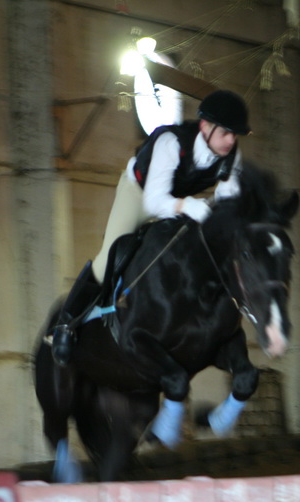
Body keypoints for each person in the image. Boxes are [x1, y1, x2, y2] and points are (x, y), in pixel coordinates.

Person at [50, 89, 251, 366]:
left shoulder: (232, 156)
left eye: (235, 135)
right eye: (226, 133)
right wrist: (190, 206)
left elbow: (227, 203)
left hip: (178, 202)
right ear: (205, 126)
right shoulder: (171, 142)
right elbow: (155, 202)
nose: (231, 140)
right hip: (140, 195)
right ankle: (65, 324)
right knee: (109, 257)